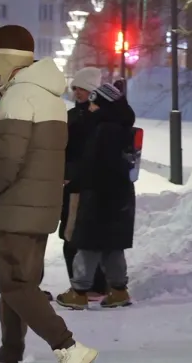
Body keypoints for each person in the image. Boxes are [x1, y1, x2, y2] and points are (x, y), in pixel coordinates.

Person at [0, 24, 98, 363]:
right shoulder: (49, 97)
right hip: (39, 207)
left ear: (5, 57)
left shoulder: (19, 97)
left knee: (14, 284)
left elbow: (8, 160)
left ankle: (68, 348)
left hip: (16, 206)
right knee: (18, 287)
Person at [58, 80, 136, 310]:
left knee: (87, 243)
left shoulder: (105, 129)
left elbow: (94, 164)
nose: (90, 108)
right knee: (112, 246)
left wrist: (76, 180)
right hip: (118, 195)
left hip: (99, 195)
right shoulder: (120, 126)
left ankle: (79, 291)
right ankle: (119, 290)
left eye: (95, 103)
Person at [60, 67, 107, 298]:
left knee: (74, 238)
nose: (77, 92)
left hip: (79, 186)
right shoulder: (75, 115)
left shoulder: (92, 119)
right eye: (75, 88)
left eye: (82, 88)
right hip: (74, 184)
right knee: (77, 238)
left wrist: (71, 173)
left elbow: (83, 153)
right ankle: (90, 285)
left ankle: (83, 287)